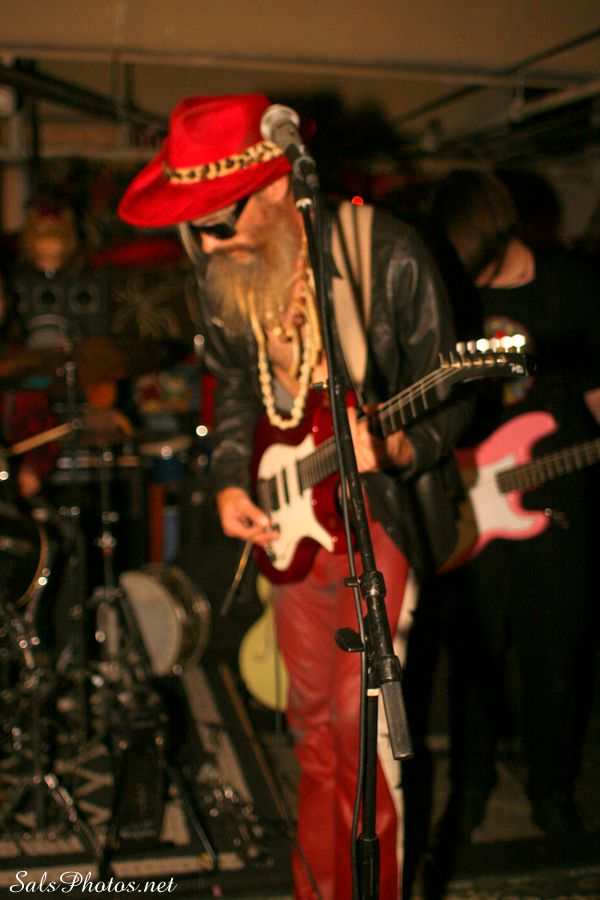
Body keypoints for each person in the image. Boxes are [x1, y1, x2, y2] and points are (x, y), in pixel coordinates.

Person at [118, 93, 472, 899]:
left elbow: (455, 391)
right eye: (194, 226)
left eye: (218, 220)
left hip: (373, 521)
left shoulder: (386, 253)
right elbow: (233, 386)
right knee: (312, 734)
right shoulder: (223, 265)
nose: (206, 242)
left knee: (361, 733)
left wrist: (400, 446)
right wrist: (227, 480)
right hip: (290, 520)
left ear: (278, 184)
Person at [426, 170, 600, 866]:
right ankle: (470, 788)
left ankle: (552, 791)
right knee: (474, 662)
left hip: (557, 503)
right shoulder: (449, 295)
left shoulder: (574, 287)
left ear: (501, 230)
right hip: (470, 504)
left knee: (556, 661)